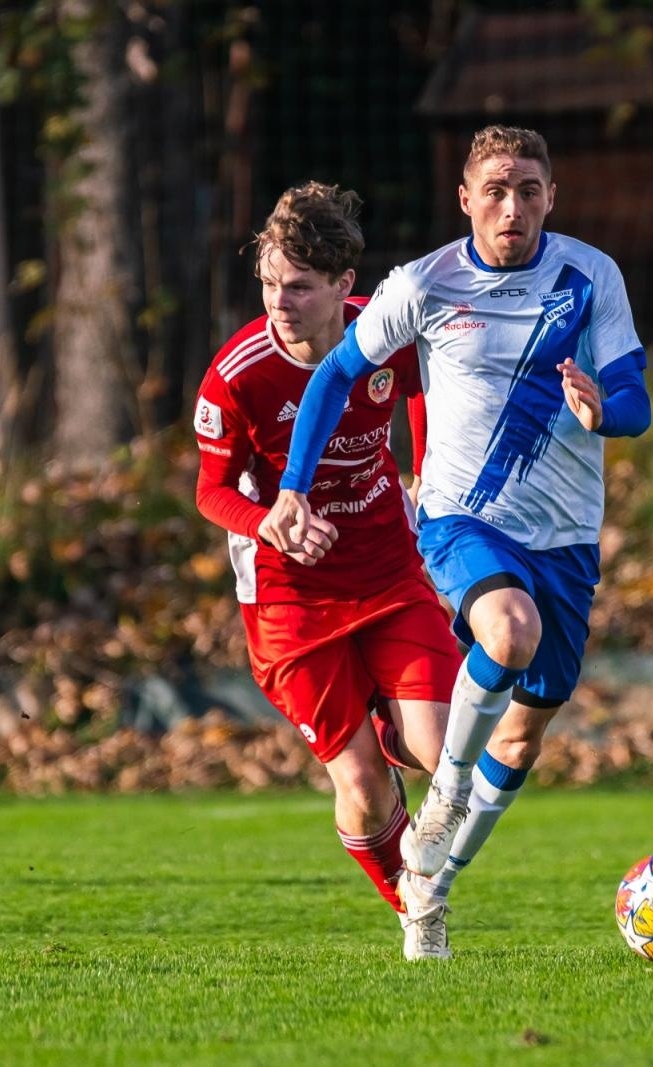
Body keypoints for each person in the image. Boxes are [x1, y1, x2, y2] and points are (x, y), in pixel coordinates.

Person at [263, 126, 652, 954]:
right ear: (467, 198)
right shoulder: (427, 282)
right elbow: (334, 375)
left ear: (553, 196)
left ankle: (429, 889)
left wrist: (602, 409)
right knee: (508, 630)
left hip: (569, 537)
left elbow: (635, 399)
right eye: (498, 191)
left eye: (531, 190)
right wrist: (294, 486)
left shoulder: (592, 277)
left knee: (524, 734)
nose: (514, 207)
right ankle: (440, 801)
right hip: (460, 520)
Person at [192, 181, 461, 960]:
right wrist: (266, 517)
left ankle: (392, 718)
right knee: (364, 783)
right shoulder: (238, 374)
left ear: (346, 286)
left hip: (386, 568)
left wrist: (426, 472)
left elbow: (415, 391)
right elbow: (210, 490)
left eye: (300, 286)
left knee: (446, 757)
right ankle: (417, 909)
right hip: (289, 599)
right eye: (271, 282)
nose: (280, 301)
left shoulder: (385, 329)